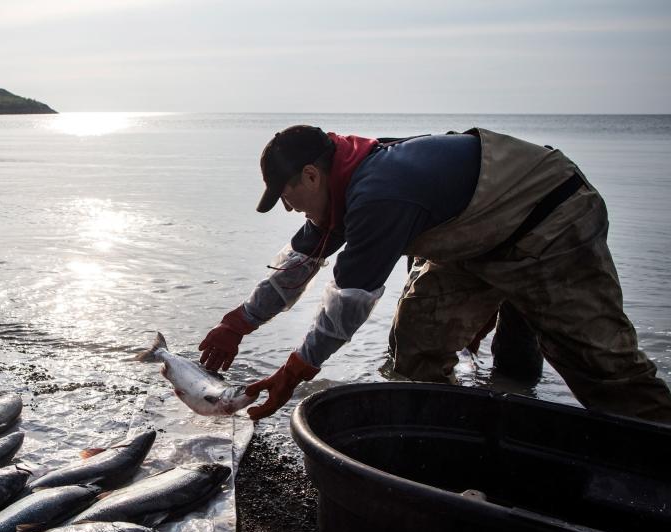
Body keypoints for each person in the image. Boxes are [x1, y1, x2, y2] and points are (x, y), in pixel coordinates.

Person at [198, 125, 671, 424]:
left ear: (311, 175)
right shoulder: (344, 183)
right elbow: (294, 268)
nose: (287, 206)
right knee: (417, 345)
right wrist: (237, 323)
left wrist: (295, 372)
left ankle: (653, 458)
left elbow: (347, 306)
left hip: (550, 219)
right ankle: (450, 438)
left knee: (603, 368)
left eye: (286, 194)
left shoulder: (378, 196)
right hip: (474, 240)